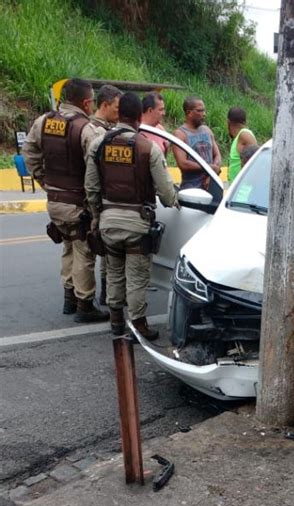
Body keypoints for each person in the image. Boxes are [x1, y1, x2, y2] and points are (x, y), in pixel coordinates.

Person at [85, 92, 179, 340]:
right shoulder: (148, 148)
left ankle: (116, 322)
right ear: (139, 116)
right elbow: (167, 193)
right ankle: (139, 325)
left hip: (108, 222)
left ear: (119, 114)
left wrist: (97, 217)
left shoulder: (99, 145)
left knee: (114, 272)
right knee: (137, 277)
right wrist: (176, 201)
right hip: (137, 224)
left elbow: (91, 188)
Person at [22, 78, 109, 322]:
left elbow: (29, 154)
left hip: (55, 199)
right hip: (78, 203)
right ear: (86, 101)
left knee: (69, 246)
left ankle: (69, 299)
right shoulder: (87, 129)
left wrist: (45, 182)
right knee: (84, 249)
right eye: (91, 101)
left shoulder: (43, 121)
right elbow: (98, 170)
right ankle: (85, 304)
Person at [90, 84, 122, 305]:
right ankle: (106, 297)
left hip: (98, 200)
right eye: (116, 107)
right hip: (99, 200)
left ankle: (100, 295)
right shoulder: (97, 133)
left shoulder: (99, 130)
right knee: (101, 254)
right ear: (105, 104)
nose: (118, 112)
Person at [174, 97, 221, 189]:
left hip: (212, 186)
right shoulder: (180, 134)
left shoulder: (207, 130)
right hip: (191, 189)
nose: (204, 114)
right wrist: (209, 168)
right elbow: (183, 163)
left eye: (204, 111)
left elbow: (217, 155)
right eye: (199, 111)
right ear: (189, 113)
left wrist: (211, 175)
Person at [227, 107, 257, 183]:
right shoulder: (240, 136)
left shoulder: (244, 135)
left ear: (228, 122)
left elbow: (254, 162)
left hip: (243, 186)